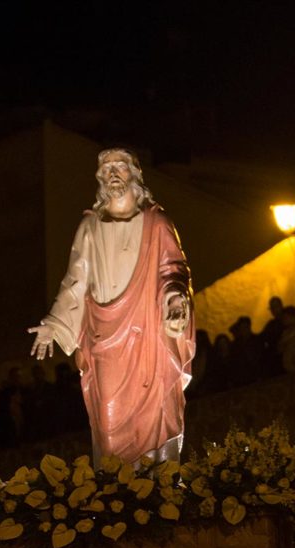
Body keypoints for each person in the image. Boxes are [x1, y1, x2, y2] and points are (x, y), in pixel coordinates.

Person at [29, 147, 195, 466]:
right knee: (107, 421)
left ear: (135, 173)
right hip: (105, 338)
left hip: (147, 335)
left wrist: (174, 297)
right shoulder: (90, 227)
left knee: (156, 413)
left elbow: (174, 268)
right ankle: (116, 498)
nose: (113, 173)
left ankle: (159, 491)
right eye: (106, 168)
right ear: (100, 177)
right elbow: (76, 279)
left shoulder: (157, 222)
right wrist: (54, 322)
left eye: (120, 166)